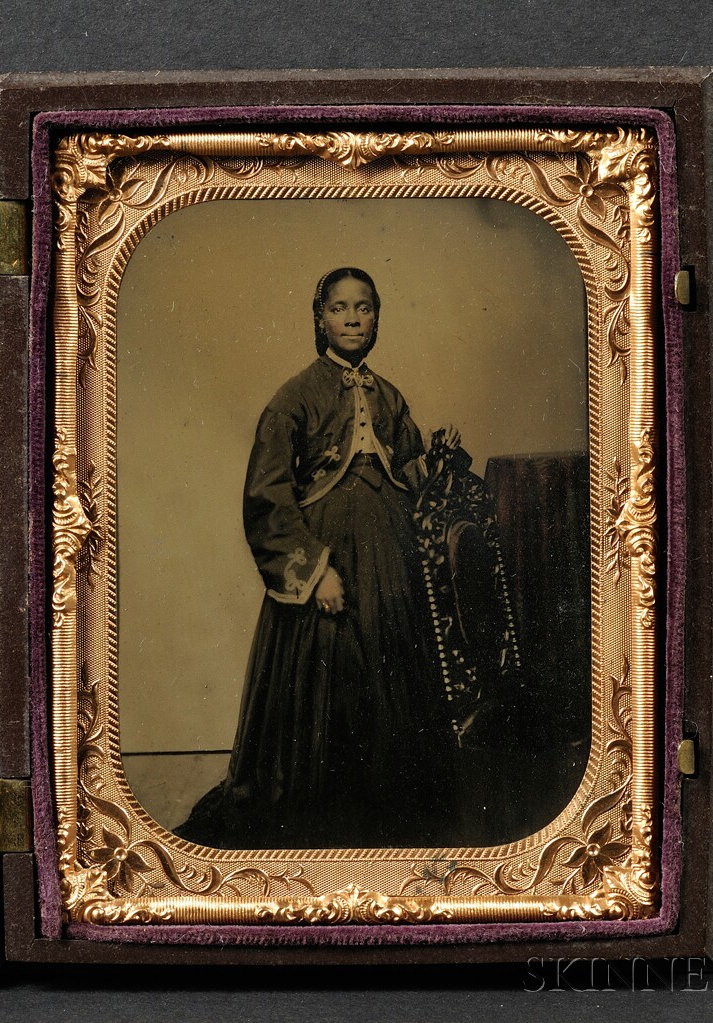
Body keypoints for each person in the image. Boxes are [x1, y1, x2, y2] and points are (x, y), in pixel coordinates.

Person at [174, 267, 463, 850]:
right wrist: (314, 571)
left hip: (390, 561)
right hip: (328, 562)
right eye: (339, 308)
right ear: (319, 319)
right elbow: (267, 499)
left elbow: (408, 478)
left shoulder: (391, 396)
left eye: (363, 308)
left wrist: (438, 460)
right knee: (330, 684)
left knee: (393, 683)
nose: (352, 318)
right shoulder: (294, 398)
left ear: (377, 318)